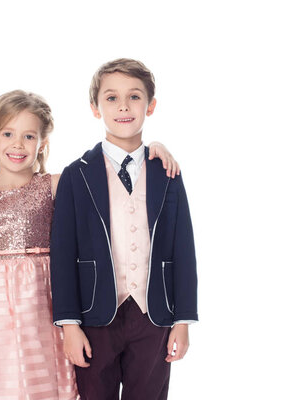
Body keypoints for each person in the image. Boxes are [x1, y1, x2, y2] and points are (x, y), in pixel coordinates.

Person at [0, 89, 180, 400]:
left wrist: (153, 148)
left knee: (43, 379)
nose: (18, 144)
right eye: (8, 133)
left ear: (43, 143)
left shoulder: (56, 185)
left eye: (29, 136)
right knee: (0, 381)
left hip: (42, 303)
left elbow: (112, 169)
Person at [50, 59, 198, 400]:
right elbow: (62, 254)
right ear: (95, 107)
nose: (123, 107)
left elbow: (183, 249)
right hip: (94, 314)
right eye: (111, 98)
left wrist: (183, 321)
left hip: (154, 312)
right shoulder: (76, 174)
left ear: (151, 105)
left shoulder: (167, 172)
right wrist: (69, 325)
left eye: (134, 97)